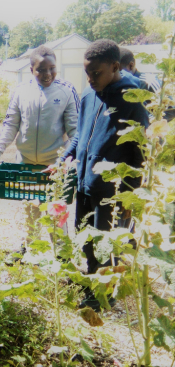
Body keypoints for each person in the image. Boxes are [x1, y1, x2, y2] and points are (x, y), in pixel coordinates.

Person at [58, 40, 149, 311]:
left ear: (115, 66)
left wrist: (130, 194)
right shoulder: (88, 94)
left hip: (113, 189)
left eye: (96, 73)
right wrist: (66, 156)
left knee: (106, 241)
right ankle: (91, 281)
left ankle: (104, 294)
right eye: (87, 73)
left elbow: (140, 152)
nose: (90, 79)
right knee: (85, 235)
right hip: (86, 182)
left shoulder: (132, 98)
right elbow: (80, 135)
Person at [0, 45, 79, 258]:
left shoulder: (66, 90)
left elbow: (75, 131)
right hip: (26, 164)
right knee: (31, 210)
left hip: (54, 167)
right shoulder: (21, 91)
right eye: (41, 70)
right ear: (31, 70)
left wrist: (66, 160)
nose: (47, 74)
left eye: (52, 68)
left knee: (56, 213)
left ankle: (63, 258)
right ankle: (31, 254)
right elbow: (11, 124)